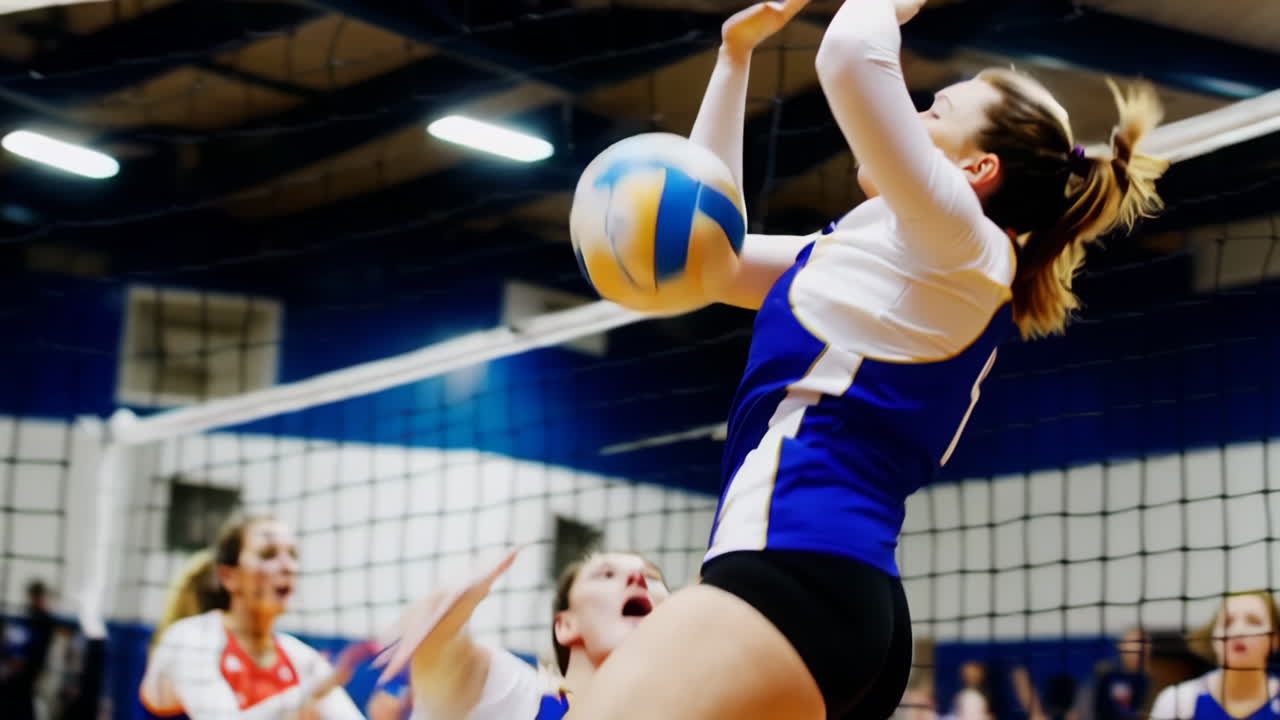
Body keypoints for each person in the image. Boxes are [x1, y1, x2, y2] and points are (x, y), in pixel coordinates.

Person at [566, 0, 1167, 718]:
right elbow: (709, 261)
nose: (908, 117)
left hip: (795, 561)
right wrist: (735, 58)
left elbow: (851, 52)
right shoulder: (889, 253)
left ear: (976, 169)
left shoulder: (962, 242)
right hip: (831, 589)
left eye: (935, 110)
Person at [374, 549, 670, 719]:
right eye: (606, 574)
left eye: (652, 577)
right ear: (566, 626)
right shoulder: (521, 695)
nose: (637, 579)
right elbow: (449, 661)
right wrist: (448, 618)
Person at [139, 514, 367, 719]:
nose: (288, 566)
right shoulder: (191, 639)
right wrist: (304, 699)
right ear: (229, 576)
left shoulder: (300, 658)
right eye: (268, 555)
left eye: (293, 555)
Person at [1150, 592, 1280, 719]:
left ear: (1275, 639)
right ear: (1213, 637)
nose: (1238, 631)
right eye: (1227, 622)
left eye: (1253, 622)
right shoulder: (1177, 700)